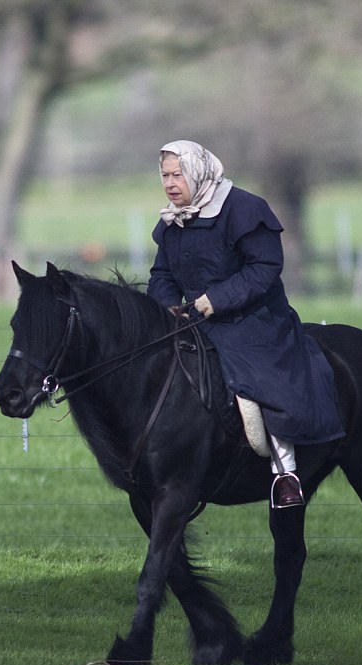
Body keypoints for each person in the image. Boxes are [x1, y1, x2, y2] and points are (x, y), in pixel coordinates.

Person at [147, 140, 344, 508]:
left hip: (252, 320)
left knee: (257, 382)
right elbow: (161, 274)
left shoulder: (245, 208)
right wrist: (170, 305)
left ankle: (285, 474)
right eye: (165, 175)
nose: (171, 183)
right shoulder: (173, 219)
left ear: (197, 171)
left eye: (177, 174)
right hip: (190, 320)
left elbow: (264, 268)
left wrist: (214, 301)